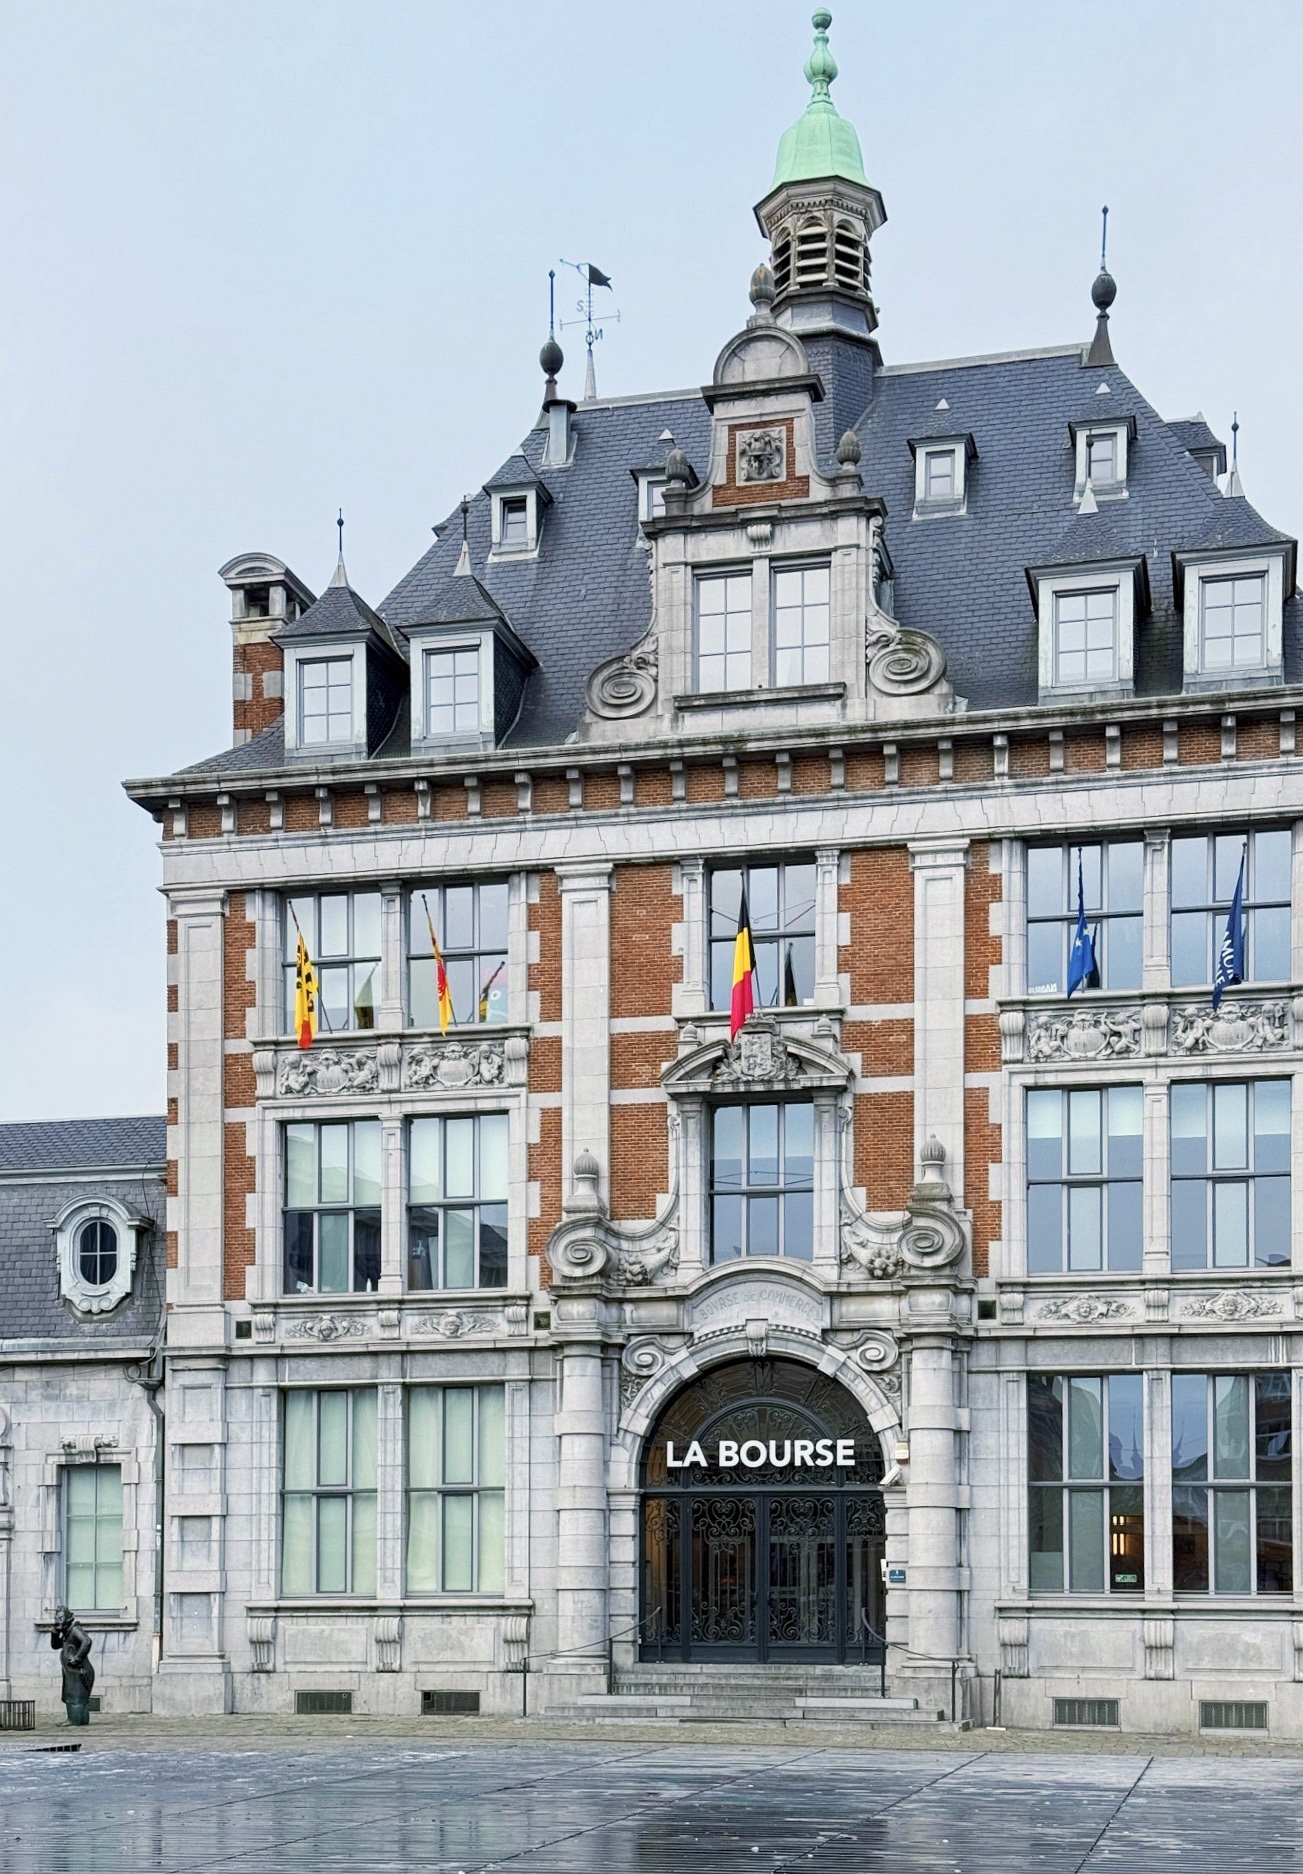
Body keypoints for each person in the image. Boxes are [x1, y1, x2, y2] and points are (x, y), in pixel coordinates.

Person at [50, 1605, 94, 1725]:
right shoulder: (66, 1632)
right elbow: (55, 1645)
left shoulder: (75, 1630)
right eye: (56, 1618)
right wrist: (54, 1632)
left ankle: (74, 1720)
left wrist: (77, 1658)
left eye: (60, 1618)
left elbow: (87, 1641)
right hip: (71, 1671)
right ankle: (79, 1720)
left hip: (79, 1670)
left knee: (75, 1697)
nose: (57, 1621)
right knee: (73, 1696)